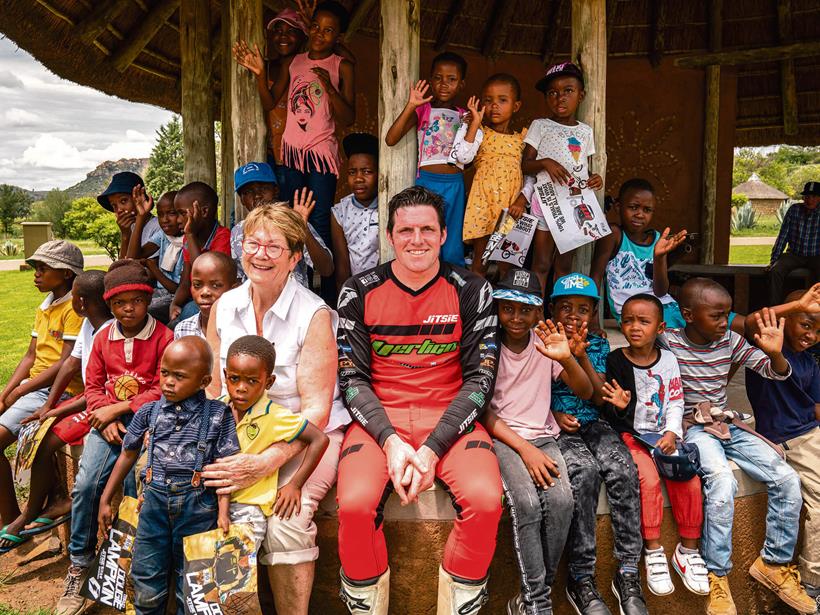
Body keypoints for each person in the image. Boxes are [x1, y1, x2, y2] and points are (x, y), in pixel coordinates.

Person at [336, 186, 503, 615]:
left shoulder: (471, 288)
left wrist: (430, 450)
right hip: (379, 418)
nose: (417, 239)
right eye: (406, 230)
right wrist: (391, 442)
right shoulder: (358, 291)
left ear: (444, 233)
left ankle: (458, 605)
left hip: (450, 416)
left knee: (486, 501)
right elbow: (351, 378)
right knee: (354, 505)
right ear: (390, 235)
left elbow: (481, 378)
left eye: (427, 229)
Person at [204, 204, 347, 615]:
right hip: (238, 431)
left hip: (302, 436)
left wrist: (267, 461)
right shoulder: (225, 307)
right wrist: (225, 450)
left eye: (274, 246)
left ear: (294, 258)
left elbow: (317, 410)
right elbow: (215, 389)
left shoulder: (313, 314)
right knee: (220, 510)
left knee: (289, 521)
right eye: (253, 243)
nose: (261, 254)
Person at [665, 278, 816, 615]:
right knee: (721, 480)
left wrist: (776, 354)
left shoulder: (730, 341)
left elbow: (773, 372)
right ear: (688, 315)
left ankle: (773, 565)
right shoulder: (669, 343)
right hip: (693, 427)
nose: (725, 322)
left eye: (727, 315)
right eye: (717, 316)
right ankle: (718, 578)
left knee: (786, 478)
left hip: (728, 423)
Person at [54, 260, 173, 615]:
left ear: (147, 299)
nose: (129, 309)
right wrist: (103, 417)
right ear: (110, 305)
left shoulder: (163, 337)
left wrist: (118, 410)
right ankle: (80, 562)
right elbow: (93, 385)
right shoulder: (104, 337)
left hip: (148, 427)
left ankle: (132, 566)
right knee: (87, 483)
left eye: (137, 301)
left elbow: (162, 388)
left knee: (140, 487)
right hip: (106, 426)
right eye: (120, 304)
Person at [98, 336, 240, 615]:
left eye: (179, 376)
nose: (168, 382)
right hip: (153, 505)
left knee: (193, 583)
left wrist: (224, 511)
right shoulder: (149, 412)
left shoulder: (218, 415)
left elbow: (227, 464)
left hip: (198, 508)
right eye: (164, 373)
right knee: (147, 577)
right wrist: (105, 498)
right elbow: (128, 454)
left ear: (203, 381)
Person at [484, 268, 590, 614]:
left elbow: (585, 390)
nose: (516, 317)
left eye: (525, 310)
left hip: (543, 437)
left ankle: (530, 598)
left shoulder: (546, 344)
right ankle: (538, 603)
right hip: (503, 438)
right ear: (498, 308)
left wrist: (566, 358)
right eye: (508, 308)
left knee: (562, 502)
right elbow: (484, 412)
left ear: (538, 311)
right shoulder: (488, 346)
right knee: (527, 505)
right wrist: (524, 449)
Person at [236, 0, 355, 304]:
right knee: (286, 220)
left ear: (338, 36)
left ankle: (326, 300)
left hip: (320, 158)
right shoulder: (295, 62)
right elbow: (270, 101)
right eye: (316, 27)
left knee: (318, 226)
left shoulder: (343, 65)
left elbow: (348, 117)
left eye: (329, 31)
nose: (320, 34)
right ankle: (290, 286)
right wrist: (261, 74)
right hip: (290, 156)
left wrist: (329, 88)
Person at [546, 273, 647, 615]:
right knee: (585, 474)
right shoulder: (541, 340)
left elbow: (598, 394)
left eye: (583, 309)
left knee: (621, 468)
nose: (574, 316)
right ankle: (581, 577)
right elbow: (526, 393)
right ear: (553, 309)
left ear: (593, 313)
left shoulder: (599, 344)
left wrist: (581, 356)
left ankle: (629, 573)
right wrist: (554, 413)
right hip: (556, 427)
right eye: (566, 308)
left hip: (594, 421)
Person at [601, 294, 708, 597]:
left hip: (664, 435)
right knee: (647, 478)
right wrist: (620, 406)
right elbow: (611, 411)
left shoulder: (669, 360)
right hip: (631, 437)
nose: (634, 327)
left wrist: (673, 433)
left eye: (643, 321)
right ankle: (654, 550)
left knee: (688, 479)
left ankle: (687, 550)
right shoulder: (616, 360)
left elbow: (675, 400)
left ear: (660, 327)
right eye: (628, 320)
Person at [0, 272, 113, 550]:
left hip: (98, 403)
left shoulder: (107, 332)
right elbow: (71, 365)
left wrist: (54, 410)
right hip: (86, 398)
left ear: (82, 302)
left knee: (44, 440)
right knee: (38, 433)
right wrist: (49, 406)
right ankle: (51, 500)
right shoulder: (89, 325)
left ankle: (33, 511)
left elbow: (96, 391)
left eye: (73, 297)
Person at [0, 240, 84, 544]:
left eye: (42, 268)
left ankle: (15, 520)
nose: (35, 273)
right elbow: (30, 356)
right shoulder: (46, 304)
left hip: (59, 391)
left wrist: (23, 389)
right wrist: (7, 390)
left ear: (65, 273)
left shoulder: (75, 307)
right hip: (35, 387)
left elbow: (66, 363)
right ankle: (10, 516)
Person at [744, 289, 820, 608]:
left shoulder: (809, 362)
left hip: (811, 433)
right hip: (788, 439)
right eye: (806, 324)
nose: (812, 335)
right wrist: (796, 305)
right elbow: (751, 322)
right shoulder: (762, 348)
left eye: (818, 330)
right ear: (785, 319)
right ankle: (813, 582)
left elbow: (815, 408)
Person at [221, 334, 329, 551]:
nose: (241, 387)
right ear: (225, 376)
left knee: (234, 575)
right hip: (211, 507)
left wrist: (295, 484)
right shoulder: (215, 408)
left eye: (252, 381)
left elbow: (320, 439)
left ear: (269, 382)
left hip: (249, 509)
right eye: (234, 379)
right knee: (206, 579)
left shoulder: (275, 416)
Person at [522, 63, 603, 291]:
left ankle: (559, 316)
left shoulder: (585, 131)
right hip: (546, 203)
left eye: (568, 90)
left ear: (581, 95)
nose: (560, 98)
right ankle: (537, 318)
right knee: (541, 263)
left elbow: (582, 168)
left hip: (574, 204)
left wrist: (594, 178)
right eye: (553, 93)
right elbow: (525, 165)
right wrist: (546, 163)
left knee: (565, 265)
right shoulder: (540, 126)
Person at [385, 52, 469, 266]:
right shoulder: (424, 110)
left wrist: (474, 122)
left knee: (451, 246)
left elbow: (470, 156)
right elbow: (391, 138)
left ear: (461, 85)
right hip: (427, 183)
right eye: (438, 78)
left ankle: (451, 289)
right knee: (424, 237)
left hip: (455, 185)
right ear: (431, 80)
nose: (444, 84)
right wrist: (412, 105)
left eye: (452, 79)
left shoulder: (465, 115)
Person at [451, 74, 527, 277]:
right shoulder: (480, 132)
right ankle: (478, 306)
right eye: (488, 100)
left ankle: (504, 307)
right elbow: (463, 157)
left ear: (516, 106)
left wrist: (522, 200)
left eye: (502, 100)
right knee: (481, 261)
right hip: (483, 205)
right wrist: (474, 123)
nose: (494, 106)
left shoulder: (523, 139)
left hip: (511, 207)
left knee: (507, 264)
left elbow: (530, 174)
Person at [590, 178, 689, 327]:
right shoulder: (614, 235)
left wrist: (659, 257)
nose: (640, 214)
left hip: (666, 306)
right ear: (618, 207)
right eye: (633, 207)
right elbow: (595, 277)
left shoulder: (657, 239)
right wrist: (594, 322)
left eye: (647, 210)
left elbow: (661, 292)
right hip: (634, 313)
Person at [229, 162, 333, 287]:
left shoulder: (293, 222)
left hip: (294, 302)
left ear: (276, 190)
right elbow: (240, 278)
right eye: (248, 192)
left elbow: (326, 270)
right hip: (256, 304)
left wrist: (303, 229)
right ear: (242, 200)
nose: (257, 195)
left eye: (263, 188)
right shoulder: (238, 232)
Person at [170, 182, 231, 322]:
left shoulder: (223, 237)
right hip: (196, 298)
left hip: (215, 300)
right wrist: (175, 303)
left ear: (203, 212)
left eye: (182, 213)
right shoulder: (188, 238)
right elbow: (186, 281)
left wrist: (190, 235)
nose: (178, 220)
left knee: (189, 312)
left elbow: (204, 274)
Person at [127, 187, 183, 324]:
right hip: (159, 292)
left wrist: (154, 268)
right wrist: (141, 217)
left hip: (176, 297)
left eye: (171, 213)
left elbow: (177, 289)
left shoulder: (188, 241)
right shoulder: (164, 236)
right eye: (160, 214)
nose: (164, 220)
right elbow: (133, 258)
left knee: (141, 312)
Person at [331, 132, 379, 289]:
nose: (358, 178)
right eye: (352, 172)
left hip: (386, 288)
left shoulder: (388, 207)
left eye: (367, 171)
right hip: (355, 289)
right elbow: (342, 265)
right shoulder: (340, 212)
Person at [768, 181, 820, 304]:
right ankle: (774, 308)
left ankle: (815, 309)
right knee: (776, 271)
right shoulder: (794, 210)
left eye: (813, 196)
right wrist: (774, 260)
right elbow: (783, 236)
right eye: (806, 196)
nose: (809, 200)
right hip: (795, 254)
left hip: (817, 255)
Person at [175, 252, 238, 340]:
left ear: (234, 290)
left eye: (216, 285)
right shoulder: (183, 330)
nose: (205, 292)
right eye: (197, 285)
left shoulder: (242, 330)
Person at [97, 171, 161, 259]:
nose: (119, 210)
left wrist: (140, 218)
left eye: (123, 201)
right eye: (114, 205)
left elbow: (133, 263)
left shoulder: (159, 226)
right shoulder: (131, 227)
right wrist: (125, 235)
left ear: (140, 198)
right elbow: (122, 267)